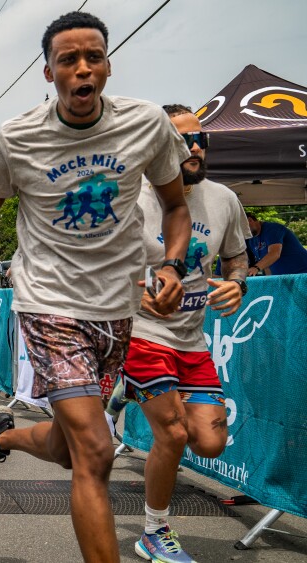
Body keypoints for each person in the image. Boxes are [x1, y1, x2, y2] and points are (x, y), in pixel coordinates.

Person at [0, 12, 192, 562]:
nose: (83, 69)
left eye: (94, 58)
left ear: (107, 67)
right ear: (49, 73)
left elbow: (176, 206)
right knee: (96, 452)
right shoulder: (17, 138)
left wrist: (174, 266)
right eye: (69, 60)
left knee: (69, 449)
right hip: (48, 302)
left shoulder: (147, 124)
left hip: (116, 309)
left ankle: (6, 435)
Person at [111, 104, 250, 562]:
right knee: (170, 434)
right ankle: (154, 531)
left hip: (192, 339)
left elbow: (236, 258)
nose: (194, 148)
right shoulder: (129, 198)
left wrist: (237, 283)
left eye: (200, 139)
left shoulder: (224, 200)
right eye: (182, 140)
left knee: (209, 442)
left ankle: (125, 394)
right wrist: (133, 292)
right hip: (143, 332)